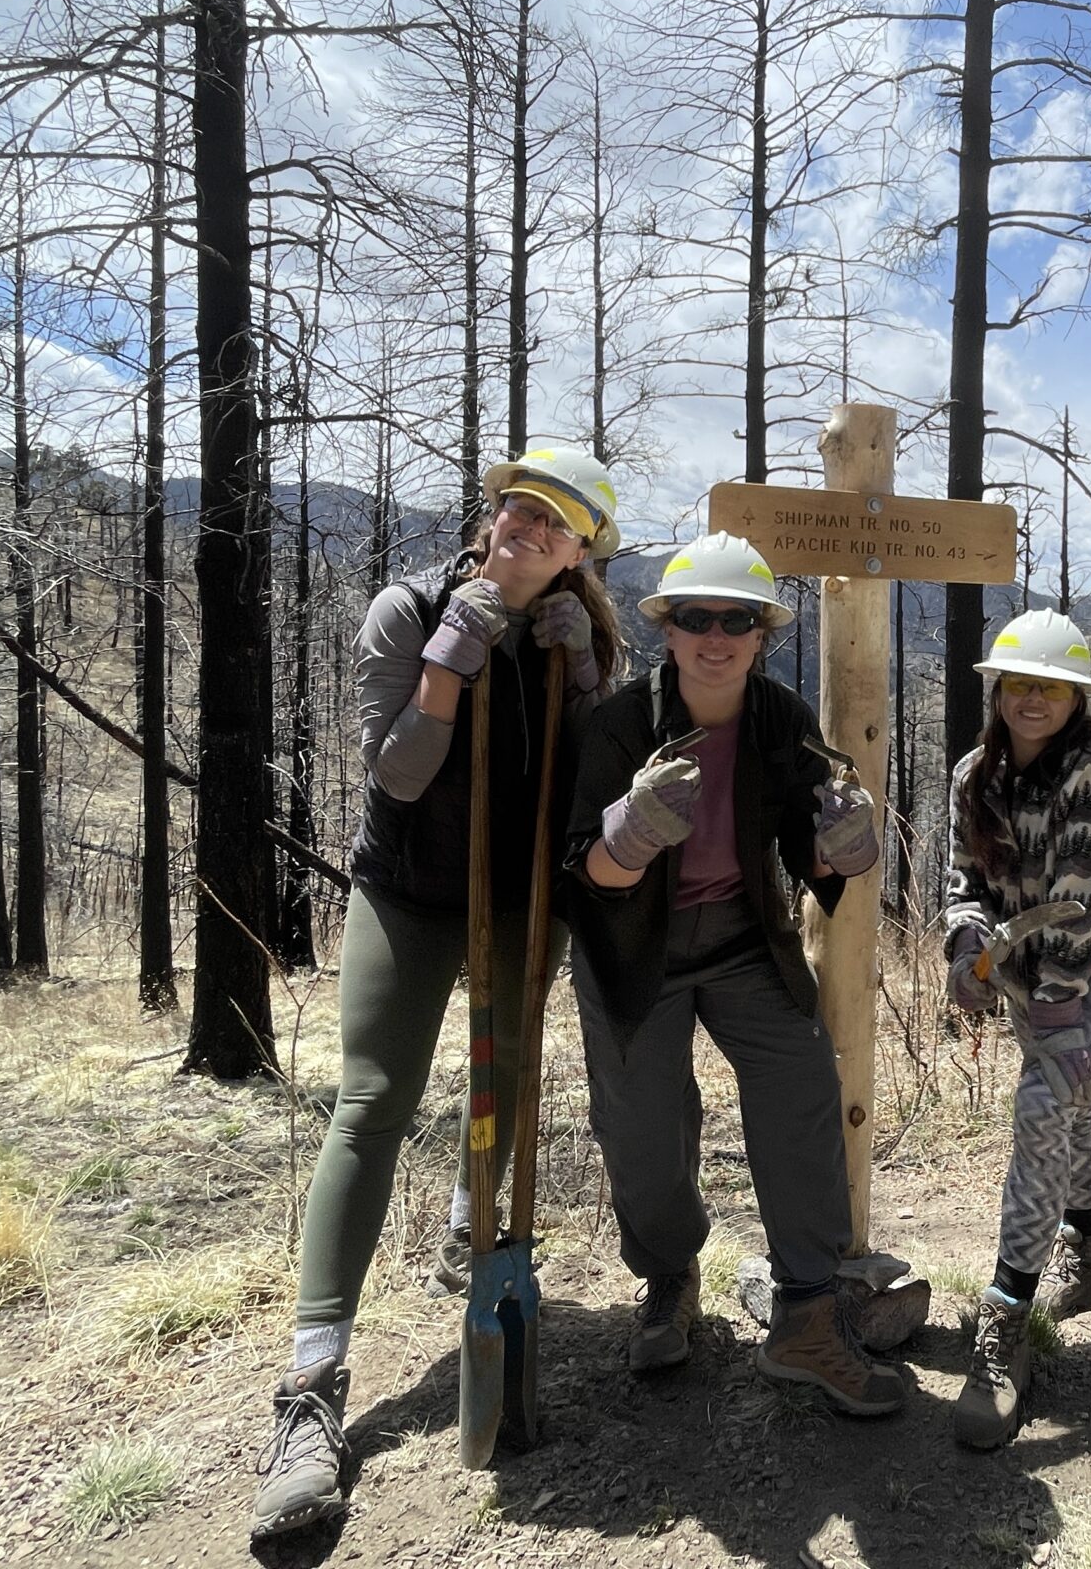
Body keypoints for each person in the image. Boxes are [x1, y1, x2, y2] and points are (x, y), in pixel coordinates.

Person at [252, 444, 624, 1542]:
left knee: (504, 1080)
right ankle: (311, 1384)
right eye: (520, 508)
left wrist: (593, 681)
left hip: (520, 898)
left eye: (557, 526)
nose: (530, 529)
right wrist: (452, 664)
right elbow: (398, 775)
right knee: (371, 1103)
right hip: (410, 890)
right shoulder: (408, 609)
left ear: (578, 555)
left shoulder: (582, 632)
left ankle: (484, 1246)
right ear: (491, 512)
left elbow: (597, 777)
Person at [564, 531, 925, 1416]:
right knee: (642, 1132)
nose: (716, 635)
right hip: (631, 946)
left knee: (801, 1085)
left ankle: (805, 1313)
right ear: (669, 629)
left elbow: (817, 860)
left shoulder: (779, 720)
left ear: (762, 632)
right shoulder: (617, 727)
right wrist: (630, 834)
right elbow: (584, 872)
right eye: (696, 617)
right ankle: (669, 1276)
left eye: (737, 619)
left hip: (740, 941)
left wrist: (847, 850)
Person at [941, 609, 1091, 1449]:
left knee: (1043, 1110)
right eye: (1018, 684)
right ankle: (1087, 1252)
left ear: (1075, 698)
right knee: (1077, 1111)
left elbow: (1088, 899)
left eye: (1050, 686)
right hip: (1032, 978)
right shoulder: (973, 776)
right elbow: (964, 880)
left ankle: (1004, 1324)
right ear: (999, 690)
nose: (1031, 699)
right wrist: (965, 946)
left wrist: (1061, 1006)